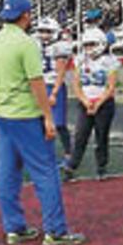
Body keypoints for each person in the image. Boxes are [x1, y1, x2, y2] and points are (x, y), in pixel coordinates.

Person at [0, 0, 85, 245]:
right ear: (26, 15)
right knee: (45, 173)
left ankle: (14, 228)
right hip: (27, 116)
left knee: (8, 174)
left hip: (4, 115)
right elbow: (36, 82)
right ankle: (56, 231)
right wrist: (48, 117)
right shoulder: (27, 44)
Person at [63, 28, 120, 181]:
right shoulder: (80, 60)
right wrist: (86, 101)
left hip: (104, 104)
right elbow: (76, 85)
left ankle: (101, 167)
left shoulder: (110, 61)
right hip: (85, 102)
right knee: (80, 135)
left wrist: (98, 103)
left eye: (92, 44)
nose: (89, 48)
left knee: (101, 137)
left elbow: (110, 87)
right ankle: (71, 166)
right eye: (86, 45)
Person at [35, 18, 74, 164]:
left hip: (53, 86)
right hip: (40, 85)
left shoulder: (60, 47)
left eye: (47, 32)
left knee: (59, 124)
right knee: (41, 122)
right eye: (42, 31)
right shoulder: (36, 45)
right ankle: (45, 154)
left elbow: (61, 72)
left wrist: (54, 93)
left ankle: (69, 153)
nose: (44, 35)